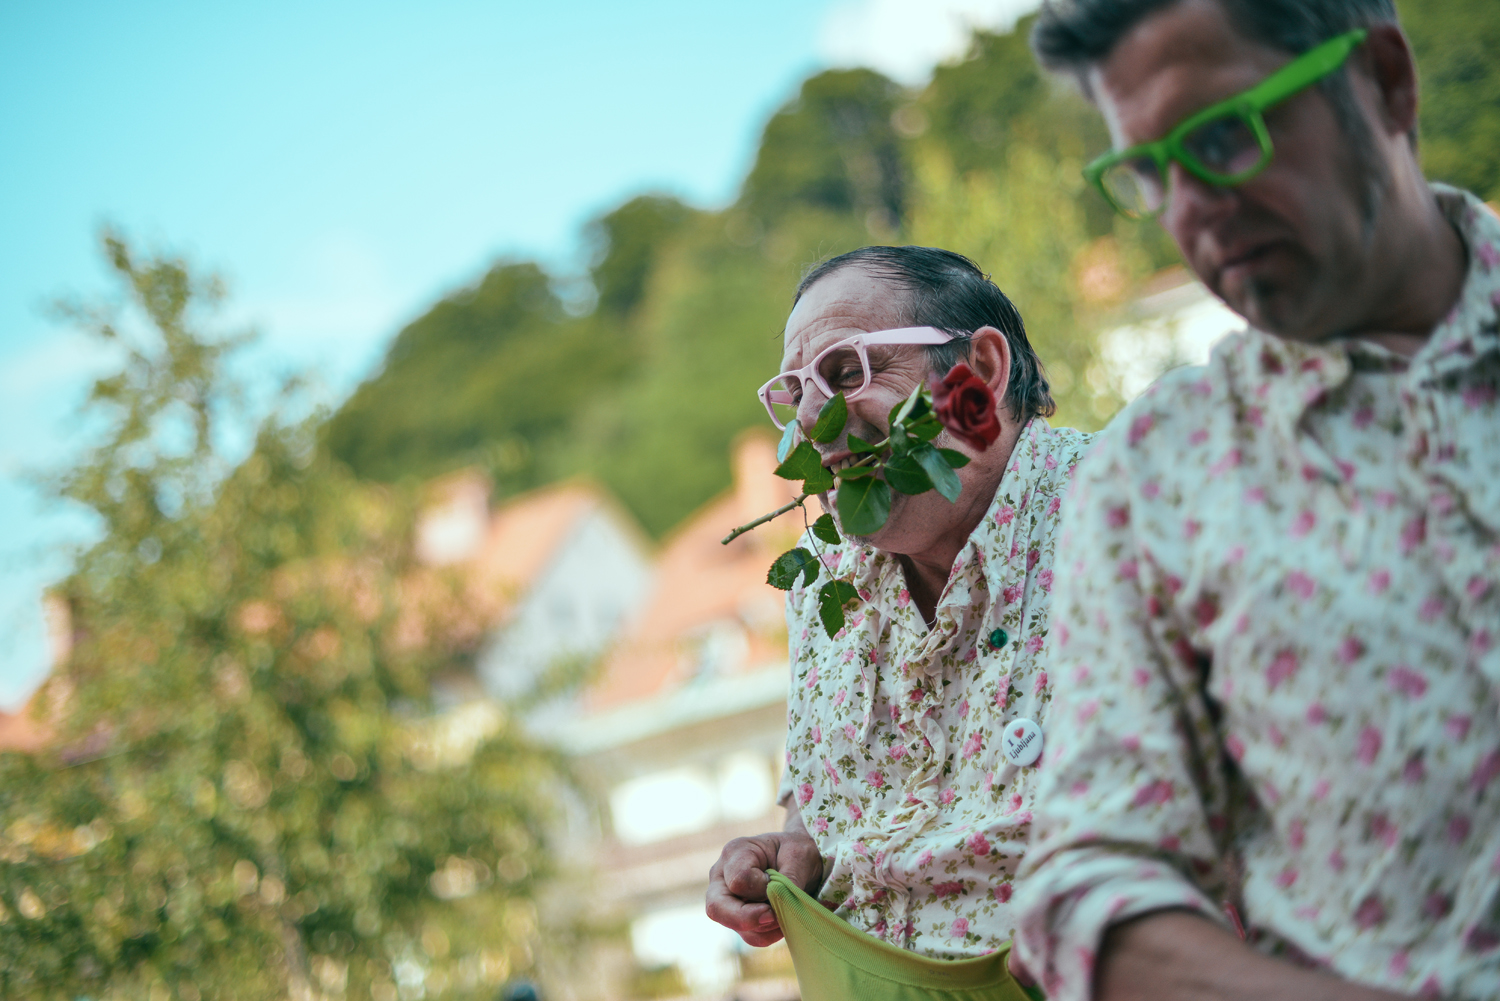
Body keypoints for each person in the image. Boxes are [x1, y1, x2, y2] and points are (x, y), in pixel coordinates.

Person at [1013, 1, 1500, 999]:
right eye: (1149, 171)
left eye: (1225, 134)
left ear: (1385, 80)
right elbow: (1088, 888)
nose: (1192, 205)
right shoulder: (1158, 476)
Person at [705, 245, 1092, 967]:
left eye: (846, 370)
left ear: (978, 373)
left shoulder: (1129, 510)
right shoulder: (824, 581)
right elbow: (818, 823)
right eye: (795, 393)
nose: (814, 414)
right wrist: (784, 857)